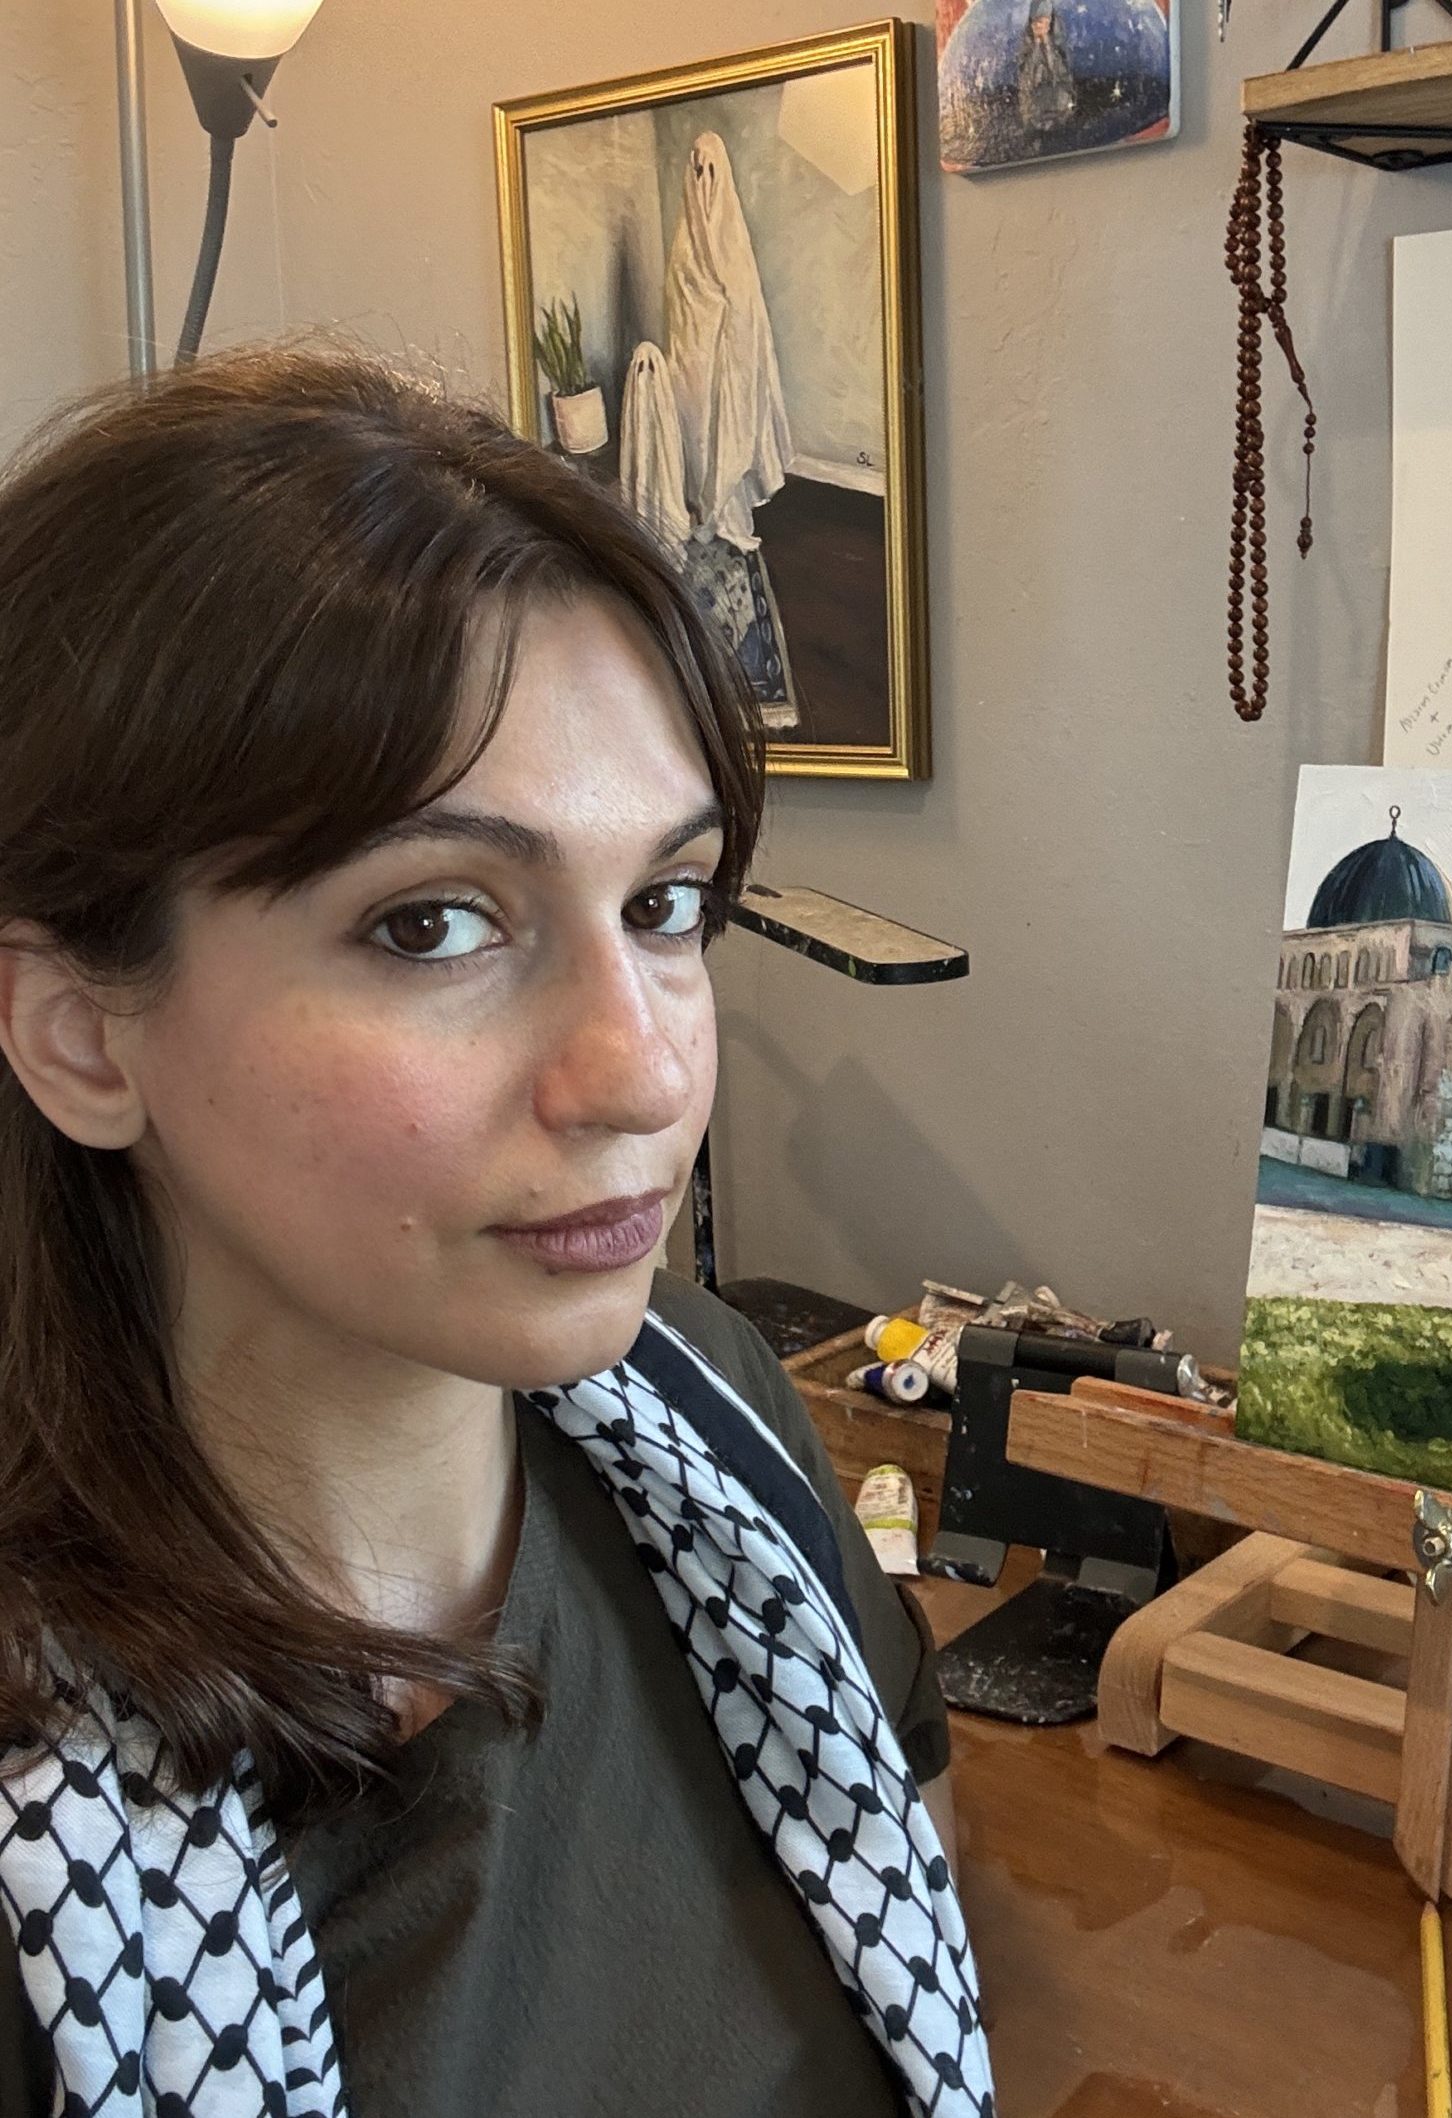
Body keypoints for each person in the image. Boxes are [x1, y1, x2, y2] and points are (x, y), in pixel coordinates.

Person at [0, 348, 994, 2118]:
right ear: (80, 1032)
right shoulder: (47, 1868)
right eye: (433, 925)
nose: (646, 1070)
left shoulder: (715, 1408)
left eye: (665, 901)